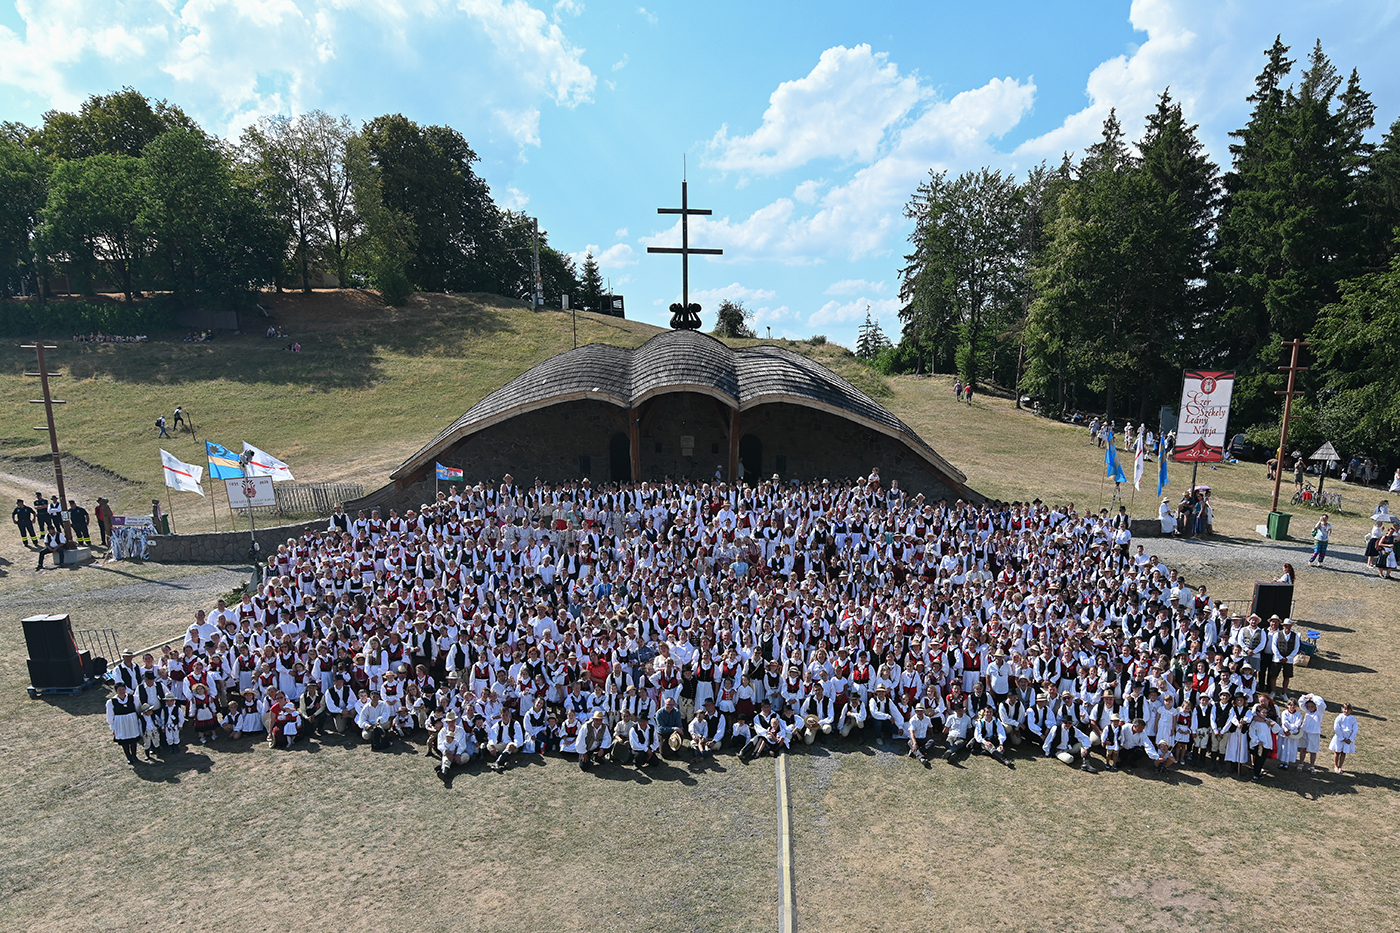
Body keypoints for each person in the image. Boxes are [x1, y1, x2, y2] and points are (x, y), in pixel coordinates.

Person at [106, 683, 143, 765]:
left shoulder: (133, 698)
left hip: (132, 721)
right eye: (119, 690)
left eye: (123, 689)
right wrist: (112, 725)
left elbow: (138, 709)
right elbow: (110, 715)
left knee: (133, 739)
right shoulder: (111, 702)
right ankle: (129, 757)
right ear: (116, 691)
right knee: (124, 741)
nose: (122, 691)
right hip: (120, 723)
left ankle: (134, 755)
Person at [1329, 702, 1358, 774]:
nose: (1346, 711)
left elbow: (1355, 729)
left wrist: (1350, 739)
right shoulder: (1339, 717)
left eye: (1348, 709)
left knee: (1344, 752)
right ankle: (1336, 766)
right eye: (1345, 709)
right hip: (1340, 737)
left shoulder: (1353, 719)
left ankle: (1340, 766)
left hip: (1348, 737)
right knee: (1337, 751)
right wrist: (1341, 738)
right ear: (1342, 709)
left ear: (1351, 710)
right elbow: (1336, 727)